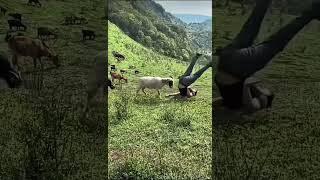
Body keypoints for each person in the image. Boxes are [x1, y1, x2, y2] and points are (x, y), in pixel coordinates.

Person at [214, 0, 320, 112]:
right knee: (251, 25)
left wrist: (249, 86)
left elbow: (251, 106)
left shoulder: (245, 102)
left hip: (237, 68)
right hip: (225, 59)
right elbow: (218, 100)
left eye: (266, 91)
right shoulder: (232, 100)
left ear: (263, 98)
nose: (265, 88)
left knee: (276, 41)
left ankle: (312, 12)